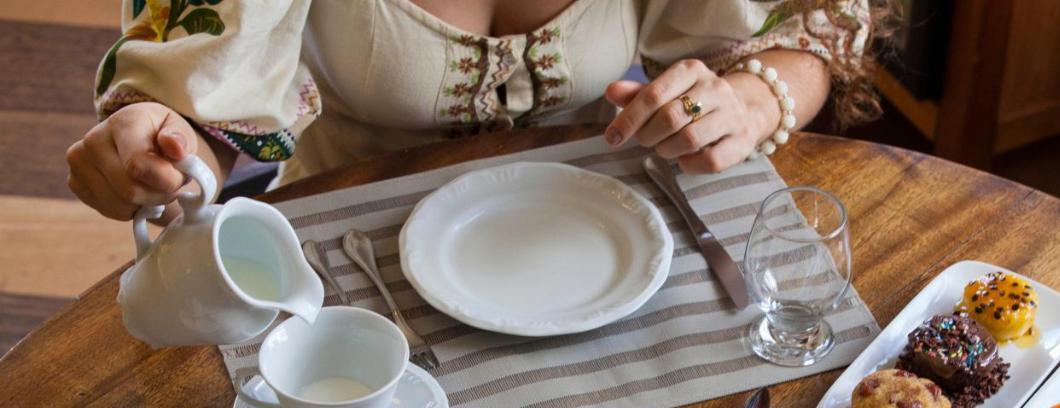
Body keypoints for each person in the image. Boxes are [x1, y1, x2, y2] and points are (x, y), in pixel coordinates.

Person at [66, 0, 886, 221]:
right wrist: (161, 156)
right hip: (347, 255)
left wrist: (746, 99)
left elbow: (810, 24)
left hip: (594, 240)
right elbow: (203, 107)